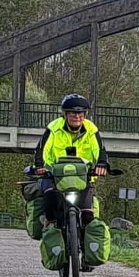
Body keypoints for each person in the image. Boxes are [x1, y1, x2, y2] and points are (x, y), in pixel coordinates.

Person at [27, 93, 112, 235]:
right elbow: (41, 150)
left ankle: (85, 246)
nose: (77, 116)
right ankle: (50, 227)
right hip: (55, 176)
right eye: (72, 112)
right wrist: (40, 167)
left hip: (82, 178)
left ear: (85, 115)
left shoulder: (91, 129)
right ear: (65, 114)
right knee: (50, 200)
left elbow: (100, 150)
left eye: (80, 113)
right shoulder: (54, 128)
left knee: (88, 216)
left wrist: (102, 165)